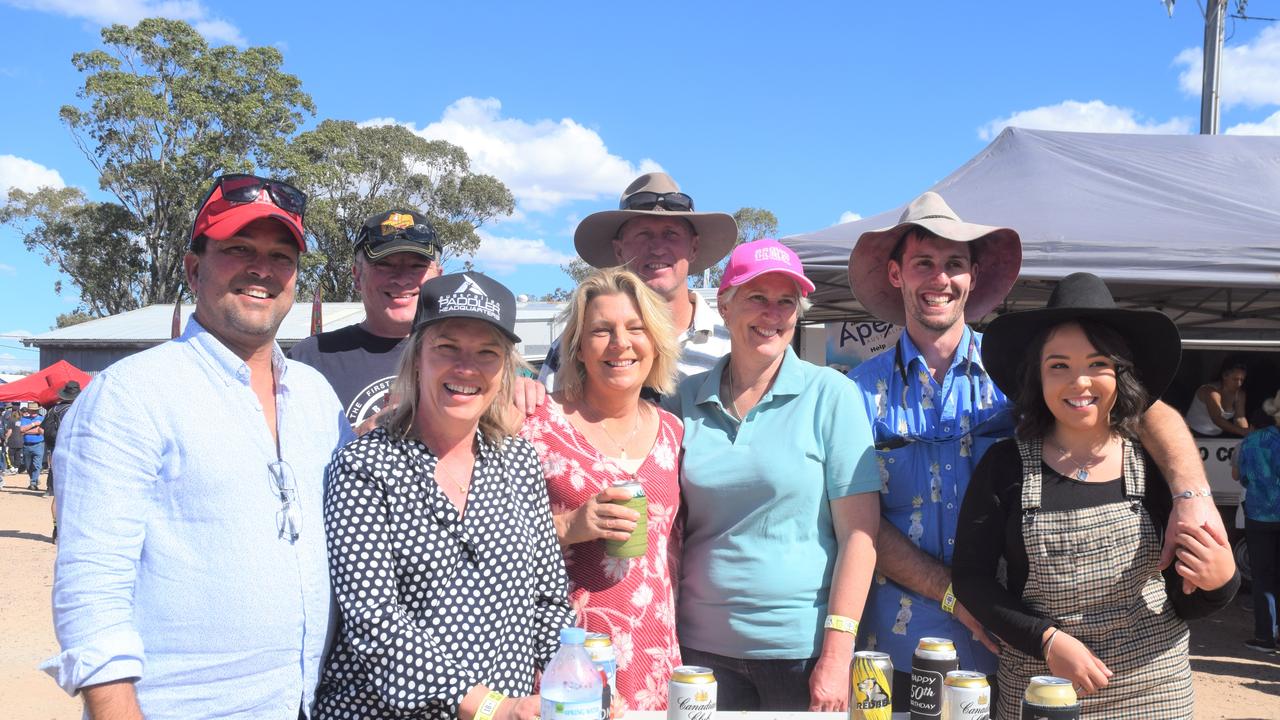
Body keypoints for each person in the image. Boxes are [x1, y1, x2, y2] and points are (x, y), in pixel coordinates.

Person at [845, 192, 1227, 710]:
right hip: (901, 641)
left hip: (1012, 649)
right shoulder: (854, 393)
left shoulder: (1022, 372)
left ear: (973, 277)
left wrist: (1193, 493)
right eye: (923, 264)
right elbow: (854, 518)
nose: (940, 278)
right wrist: (953, 595)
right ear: (896, 275)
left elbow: (1144, 407)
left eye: (954, 264)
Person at [42, 173, 352, 718]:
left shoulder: (316, 396)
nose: (263, 269)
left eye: (281, 256)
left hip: (307, 703)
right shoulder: (130, 395)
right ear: (192, 268)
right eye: (238, 249)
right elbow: (91, 590)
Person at [952, 272, 1238, 719]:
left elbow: (1185, 600)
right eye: (1059, 365)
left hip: (1153, 690)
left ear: (1120, 373)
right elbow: (972, 579)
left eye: (1098, 363)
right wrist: (1046, 640)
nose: (1079, 382)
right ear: (1037, 376)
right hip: (1042, 689)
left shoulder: (1155, 466)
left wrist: (1222, 583)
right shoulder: (1004, 467)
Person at [316, 271, 573, 720]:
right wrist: (491, 707)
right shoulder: (364, 466)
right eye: (447, 348)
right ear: (417, 358)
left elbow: (549, 603)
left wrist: (577, 682)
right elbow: (374, 623)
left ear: (504, 368)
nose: (466, 368)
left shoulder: (519, 462)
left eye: (487, 353)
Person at [670, 239, 880, 712]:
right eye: (756, 298)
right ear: (724, 306)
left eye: (786, 301)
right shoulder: (682, 399)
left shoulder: (832, 394)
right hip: (698, 651)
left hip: (802, 653)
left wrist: (836, 653)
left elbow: (860, 537)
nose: (773, 313)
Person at [519, 267, 683, 712]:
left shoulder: (673, 431)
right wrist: (567, 525)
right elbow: (484, 534)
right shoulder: (534, 423)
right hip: (564, 656)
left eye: (636, 328)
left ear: (656, 342)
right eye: (601, 330)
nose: (620, 343)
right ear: (577, 345)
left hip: (652, 654)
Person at [538, 172, 737, 392]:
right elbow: (544, 413)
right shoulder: (577, 343)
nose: (658, 248)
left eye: (671, 234)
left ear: (694, 248)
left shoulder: (733, 341)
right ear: (619, 250)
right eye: (643, 235)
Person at [291, 209, 444, 433]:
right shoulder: (310, 359)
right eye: (384, 264)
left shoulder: (466, 357)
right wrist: (360, 437)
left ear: (438, 276)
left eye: (417, 266)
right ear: (357, 276)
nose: (402, 279)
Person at [1235, 389, 1280, 652]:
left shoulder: (1251, 443)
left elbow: (1244, 479)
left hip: (1259, 515)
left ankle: (1264, 637)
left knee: (1263, 577)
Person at [1186, 356, 1250, 438]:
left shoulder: (1240, 394)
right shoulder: (1210, 391)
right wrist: (1241, 431)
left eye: (1242, 380)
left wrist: (1247, 434)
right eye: (1235, 379)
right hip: (1192, 434)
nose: (1239, 384)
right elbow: (1217, 419)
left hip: (1216, 435)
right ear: (1224, 376)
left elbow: (1240, 417)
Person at [19, 402, 45, 491]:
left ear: (38, 410)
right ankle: (34, 479)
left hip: (39, 444)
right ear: (29, 410)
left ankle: (33, 483)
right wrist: (34, 424)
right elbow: (21, 430)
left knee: (37, 465)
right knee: (28, 466)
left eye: (35, 410)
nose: (33, 412)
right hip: (26, 445)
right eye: (32, 410)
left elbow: (39, 431)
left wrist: (26, 431)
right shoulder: (24, 418)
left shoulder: (42, 418)